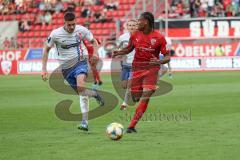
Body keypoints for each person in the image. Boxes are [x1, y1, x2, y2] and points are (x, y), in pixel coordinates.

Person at [41, 12, 104, 132]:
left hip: (80, 61)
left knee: (81, 88)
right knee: (82, 93)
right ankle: (95, 94)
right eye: (69, 25)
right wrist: (43, 69)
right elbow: (46, 50)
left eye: (73, 24)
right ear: (64, 23)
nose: (72, 27)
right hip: (65, 68)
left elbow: (94, 41)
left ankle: (84, 122)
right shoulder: (55, 34)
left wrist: (95, 53)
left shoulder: (81, 30)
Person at [113, 12, 170, 133]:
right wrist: (119, 52)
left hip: (151, 70)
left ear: (146, 22)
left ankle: (131, 126)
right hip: (137, 68)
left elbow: (167, 57)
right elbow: (129, 48)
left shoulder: (159, 38)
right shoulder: (135, 35)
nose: (137, 23)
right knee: (135, 97)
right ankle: (136, 97)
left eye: (139, 21)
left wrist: (159, 61)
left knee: (146, 95)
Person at [117, 19, 138, 110]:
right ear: (127, 27)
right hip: (125, 65)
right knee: (124, 85)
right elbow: (120, 49)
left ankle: (124, 104)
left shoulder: (141, 37)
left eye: (133, 25)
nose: (131, 27)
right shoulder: (122, 37)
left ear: (137, 27)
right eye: (129, 25)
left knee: (129, 84)